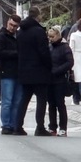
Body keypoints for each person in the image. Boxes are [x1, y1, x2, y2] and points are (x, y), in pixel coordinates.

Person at [15, 7, 52, 136]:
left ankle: (18, 126)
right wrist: (49, 65)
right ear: (38, 16)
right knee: (42, 99)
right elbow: (44, 52)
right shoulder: (38, 31)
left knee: (24, 99)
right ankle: (40, 127)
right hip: (39, 70)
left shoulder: (20, 32)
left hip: (24, 69)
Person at [0, 15, 22, 134]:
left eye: (15, 26)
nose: (12, 28)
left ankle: (14, 124)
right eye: (11, 25)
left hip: (19, 72)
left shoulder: (19, 37)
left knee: (17, 101)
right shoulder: (2, 36)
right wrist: (16, 54)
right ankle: (6, 125)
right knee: (7, 101)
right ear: (7, 23)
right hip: (6, 72)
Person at [46, 26, 73, 137]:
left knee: (60, 104)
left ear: (58, 35)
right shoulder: (49, 47)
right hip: (49, 79)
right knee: (51, 104)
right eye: (49, 37)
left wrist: (57, 71)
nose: (50, 39)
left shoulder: (65, 47)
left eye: (52, 36)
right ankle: (52, 126)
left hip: (60, 79)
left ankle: (63, 128)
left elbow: (70, 62)